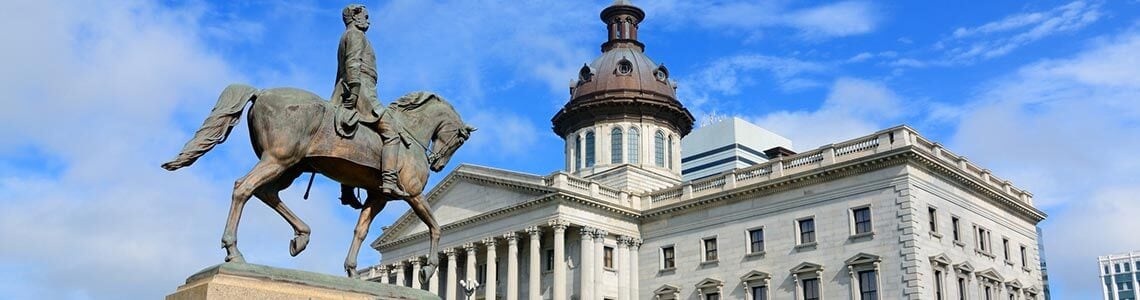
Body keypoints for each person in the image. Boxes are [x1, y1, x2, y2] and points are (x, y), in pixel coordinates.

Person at [334, 4, 409, 206]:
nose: (368, 20)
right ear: (355, 17)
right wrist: (357, 91)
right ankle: (389, 181)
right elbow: (353, 64)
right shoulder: (357, 35)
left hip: (350, 89)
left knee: (350, 140)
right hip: (362, 91)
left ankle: (347, 190)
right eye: (365, 16)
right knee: (391, 132)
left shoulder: (346, 36)